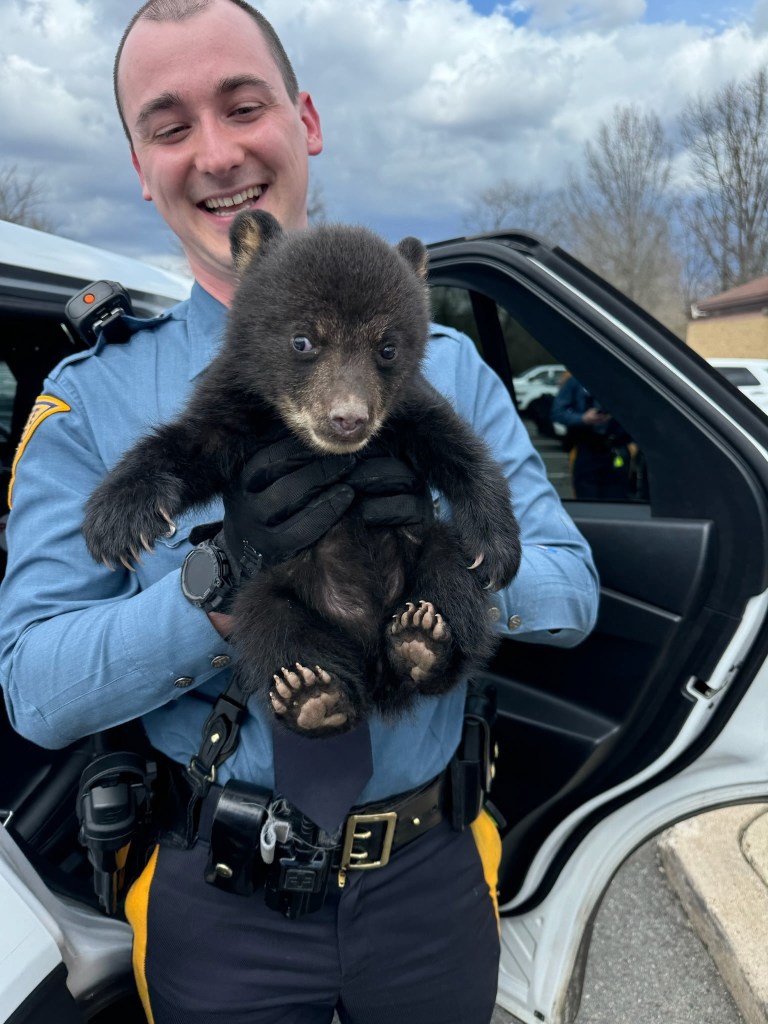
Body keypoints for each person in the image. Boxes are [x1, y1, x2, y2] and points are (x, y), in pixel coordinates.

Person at [0, 3, 599, 1022]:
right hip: (218, 891)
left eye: (244, 105)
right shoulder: (94, 397)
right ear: (140, 165)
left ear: (305, 119)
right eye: (171, 124)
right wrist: (219, 591)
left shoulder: (443, 368)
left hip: (431, 875)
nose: (218, 152)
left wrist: (440, 558)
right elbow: (36, 689)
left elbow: (569, 591)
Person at [551, 372, 635, 500]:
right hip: (587, 449)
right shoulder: (577, 380)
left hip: (617, 449)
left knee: (617, 502)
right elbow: (557, 413)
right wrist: (583, 418)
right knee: (587, 501)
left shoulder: (625, 381)